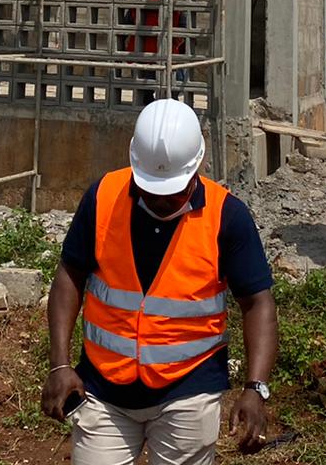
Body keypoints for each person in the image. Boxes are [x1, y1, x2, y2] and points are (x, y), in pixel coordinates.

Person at [40, 99, 279, 465]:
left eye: (173, 192)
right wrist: (60, 365)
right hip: (103, 389)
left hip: (189, 390)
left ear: (196, 166)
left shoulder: (227, 216)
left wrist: (255, 389)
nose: (163, 200)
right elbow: (69, 275)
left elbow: (257, 303)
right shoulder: (103, 197)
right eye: (154, 190)